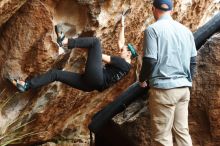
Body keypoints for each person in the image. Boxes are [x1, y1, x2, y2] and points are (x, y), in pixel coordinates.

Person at [9, 15, 138, 92]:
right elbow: (121, 42)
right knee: (56, 74)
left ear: (128, 55)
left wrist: (89, 50)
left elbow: (99, 56)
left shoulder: (121, 62)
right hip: (89, 85)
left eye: (124, 50)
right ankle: (26, 86)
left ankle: (64, 41)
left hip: (96, 77)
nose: (121, 49)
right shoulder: (125, 66)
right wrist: (122, 25)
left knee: (95, 43)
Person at [139, 0, 197, 146]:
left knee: (162, 138)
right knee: (182, 132)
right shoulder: (186, 31)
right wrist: (187, 82)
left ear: (153, 9)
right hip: (183, 90)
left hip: (164, 91)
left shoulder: (152, 30)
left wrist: (142, 79)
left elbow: (150, 60)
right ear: (171, 11)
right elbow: (193, 62)